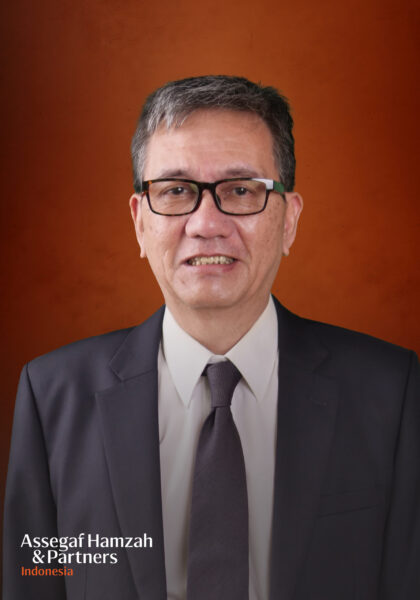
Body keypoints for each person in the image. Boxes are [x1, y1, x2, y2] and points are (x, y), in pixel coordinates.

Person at [3, 75, 419, 600]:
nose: (206, 224)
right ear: (139, 222)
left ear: (289, 221)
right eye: (176, 191)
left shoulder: (391, 394)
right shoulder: (53, 397)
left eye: (241, 190)